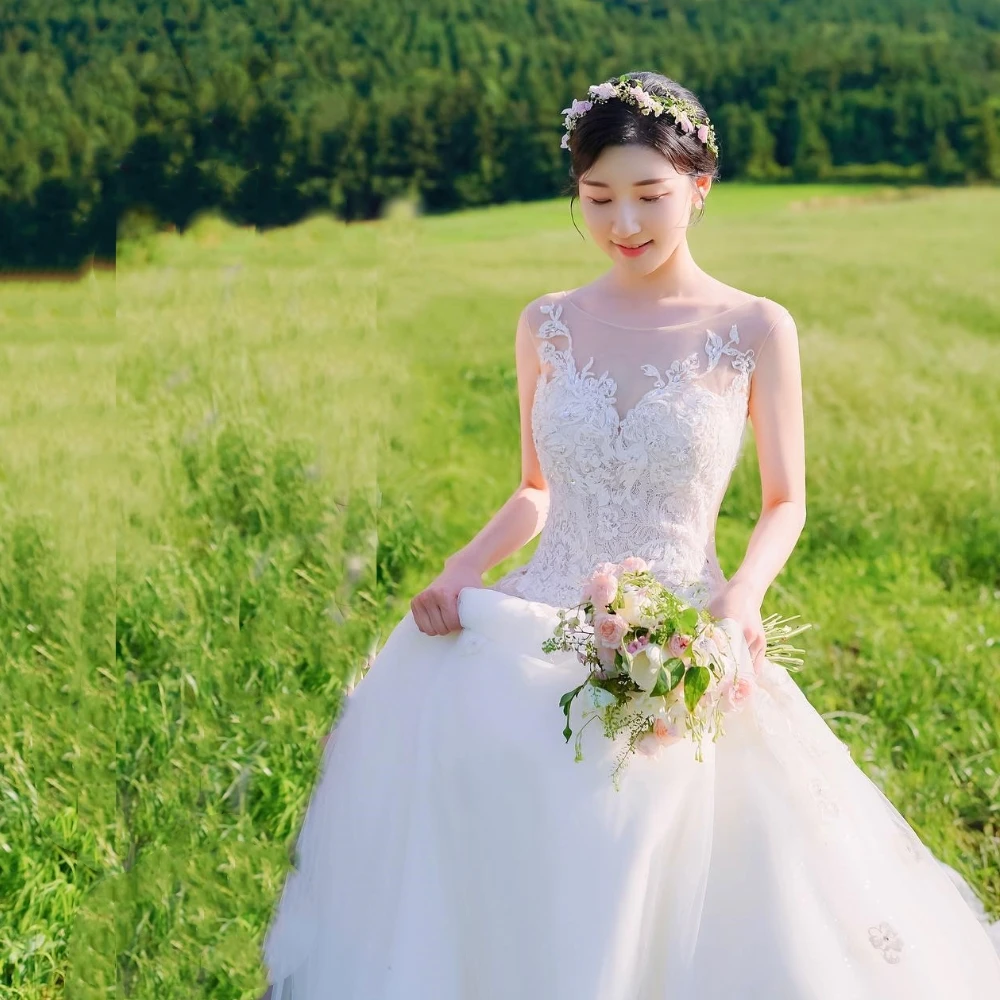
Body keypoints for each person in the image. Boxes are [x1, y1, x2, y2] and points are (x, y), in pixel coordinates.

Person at [259, 71, 1000, 998]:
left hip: (684, 630)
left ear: (698, 185)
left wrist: (741, 600)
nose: (626, 225)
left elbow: (785, 501)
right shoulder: (548, 325)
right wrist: (461, 570)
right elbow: (535, 489)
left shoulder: (755, 328)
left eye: (650, 196)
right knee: (500, 834)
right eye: (600, 198)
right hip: (538, 622)